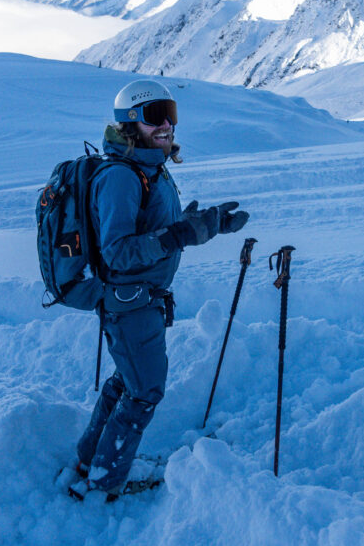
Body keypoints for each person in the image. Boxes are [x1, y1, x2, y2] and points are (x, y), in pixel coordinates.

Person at [69, 79, 249, 500]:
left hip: (140, 300)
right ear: (131, 123)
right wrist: (180, 235)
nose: (167, 123)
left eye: (170, 111)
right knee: (144, 391)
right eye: (154, 115)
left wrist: (206, 225)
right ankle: (104, 482)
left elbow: (157, 229)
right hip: (129, 302)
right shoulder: (121, 176)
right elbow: (117, 253)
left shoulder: (149, 167)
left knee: (126, 381)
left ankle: (90, 460)